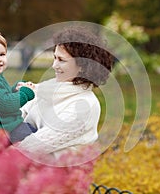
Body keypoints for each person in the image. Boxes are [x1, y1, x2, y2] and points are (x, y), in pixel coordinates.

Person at [17, 27, 113, 157]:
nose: (54, 65)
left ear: (82, 66)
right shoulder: (48, 88)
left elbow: (32, 146)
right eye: (55, 57)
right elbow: (16, 116)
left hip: (52, 173)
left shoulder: (85, 106)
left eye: (61, 60)